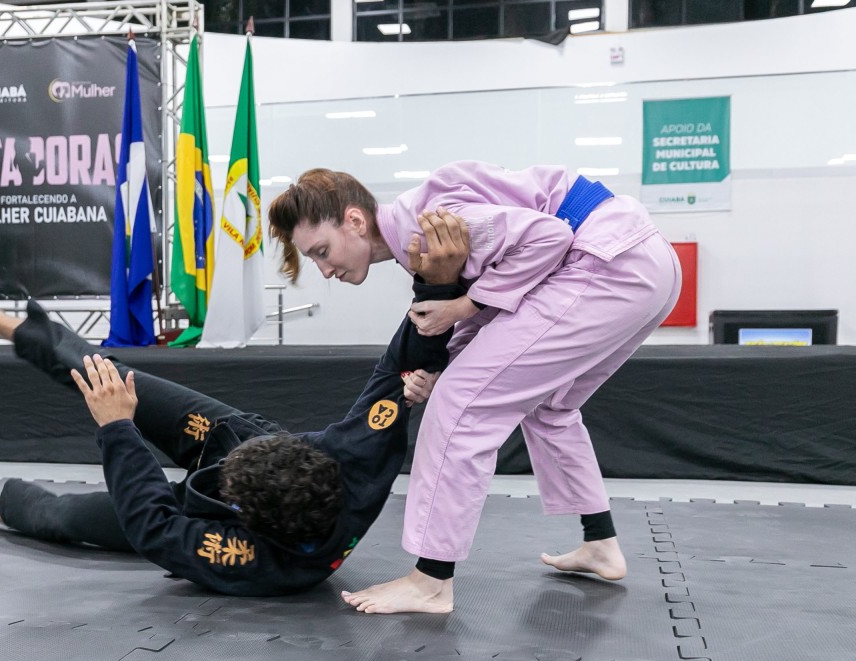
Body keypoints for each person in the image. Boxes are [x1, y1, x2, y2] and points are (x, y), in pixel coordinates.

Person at [0, 212, 468, 598]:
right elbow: (399, 364)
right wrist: (437, 283)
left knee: (68, 517)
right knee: (109, 375)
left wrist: (117, 430)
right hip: (247, 442)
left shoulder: (260, 563)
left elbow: (153, 526)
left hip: (215, 506)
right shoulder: (355, 457)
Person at [267, 160, 683, 613]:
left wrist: (464, 308)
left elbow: (549, 238)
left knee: (460, 406)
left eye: (322, 251)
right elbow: (504, 301)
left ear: (354, 221)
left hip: (607, 264)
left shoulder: (428, 225)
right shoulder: (418, 230)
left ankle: (431, 582)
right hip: (644, 264)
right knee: (551, 407)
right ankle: (600, 543)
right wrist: (445, 363)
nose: (324, 270)